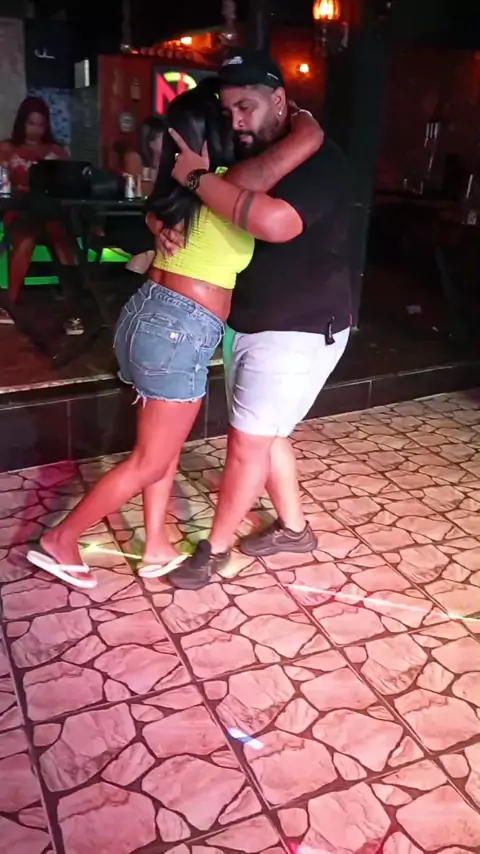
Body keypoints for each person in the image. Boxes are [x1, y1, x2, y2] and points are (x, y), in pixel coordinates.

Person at [26, 77, 324, 588]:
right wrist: (306, 121)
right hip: (179, 329)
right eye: (230, 119)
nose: (240, 125)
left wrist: (169, 202)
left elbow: (158, 213)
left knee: (157, 452)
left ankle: (156, 546)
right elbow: (298, 148)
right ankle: (62, 539)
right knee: (151, 460)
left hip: (148, 314)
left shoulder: (181, 189)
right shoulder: (231, 184)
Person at [157, 50, 353, 590]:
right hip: (250, 319)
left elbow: (276, 223)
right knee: (267, 433)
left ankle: (215, 551)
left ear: (279, 100)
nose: (237, 121)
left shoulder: (322, 160)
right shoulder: (246, 157)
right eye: (229, 112)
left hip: (300, 324)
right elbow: (194, 210)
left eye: (247, 107)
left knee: (247, 442)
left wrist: (195, 179)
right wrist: (167, 220)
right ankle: (294, 530)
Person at [0, 97, 84, 334]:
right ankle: (8, 305)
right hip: (21, 210)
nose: (36, 129)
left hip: (51, 212)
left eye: (40, 124)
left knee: (63, 242)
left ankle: (73, 311)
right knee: (24, 239)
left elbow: (70, 184)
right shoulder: (7, 148)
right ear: (22, 122)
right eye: (31, 123)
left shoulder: (56, 151)